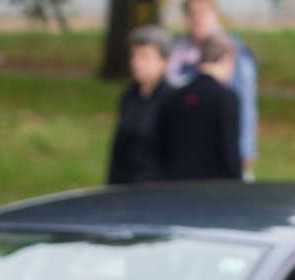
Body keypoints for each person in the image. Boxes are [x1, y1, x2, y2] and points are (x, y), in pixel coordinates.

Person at [166, 0, 259, 179]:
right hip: (186, 147)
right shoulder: (178, 51)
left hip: (221, 143)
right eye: (192, 13)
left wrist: (246, 150)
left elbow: (246, 104)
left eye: (203, 12)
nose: (197, 18)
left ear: (215, 13)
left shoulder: (233, 50)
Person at [156, 34, 243, 181]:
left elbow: (161, 146)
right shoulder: (226, 98)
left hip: (175, 184)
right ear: (227, 60)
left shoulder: (174, 97)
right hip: (212, 188)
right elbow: (229, 148)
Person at [107, 26, 173, 184]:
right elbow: (119, 148)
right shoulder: (129, 96)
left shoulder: (173, 101)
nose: (136, 62)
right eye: (134, 56)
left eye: (145, 56)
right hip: (124, 186)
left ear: (164, 62)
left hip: (155, 190)